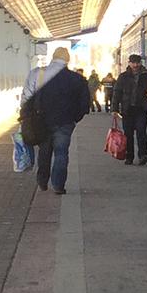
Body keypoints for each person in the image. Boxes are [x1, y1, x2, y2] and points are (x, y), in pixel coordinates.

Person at [23, 46, 90, 194]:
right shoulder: (77, 79)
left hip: (42, 121)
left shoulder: (38, 74)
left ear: (53, 58)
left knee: (44, 151)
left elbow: (26, 97)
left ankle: (42, 181)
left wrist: (25, 116)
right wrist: (74, 118)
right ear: (67, 60)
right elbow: (85, 104)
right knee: (61, 153)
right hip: (65, 122)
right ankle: (58, 185)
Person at [113, 54, 147, 166]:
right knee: (128, 134)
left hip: (141, 109)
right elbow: (117, 92)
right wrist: (114, 109)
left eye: (137, 62)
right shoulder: (123, 76)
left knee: (141, 132)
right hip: (127, 110)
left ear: (140, 63)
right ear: (129, 63)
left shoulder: (146, 76)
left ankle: (143, 155)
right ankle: (129, 156)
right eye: (133, 62)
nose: (135, 65)